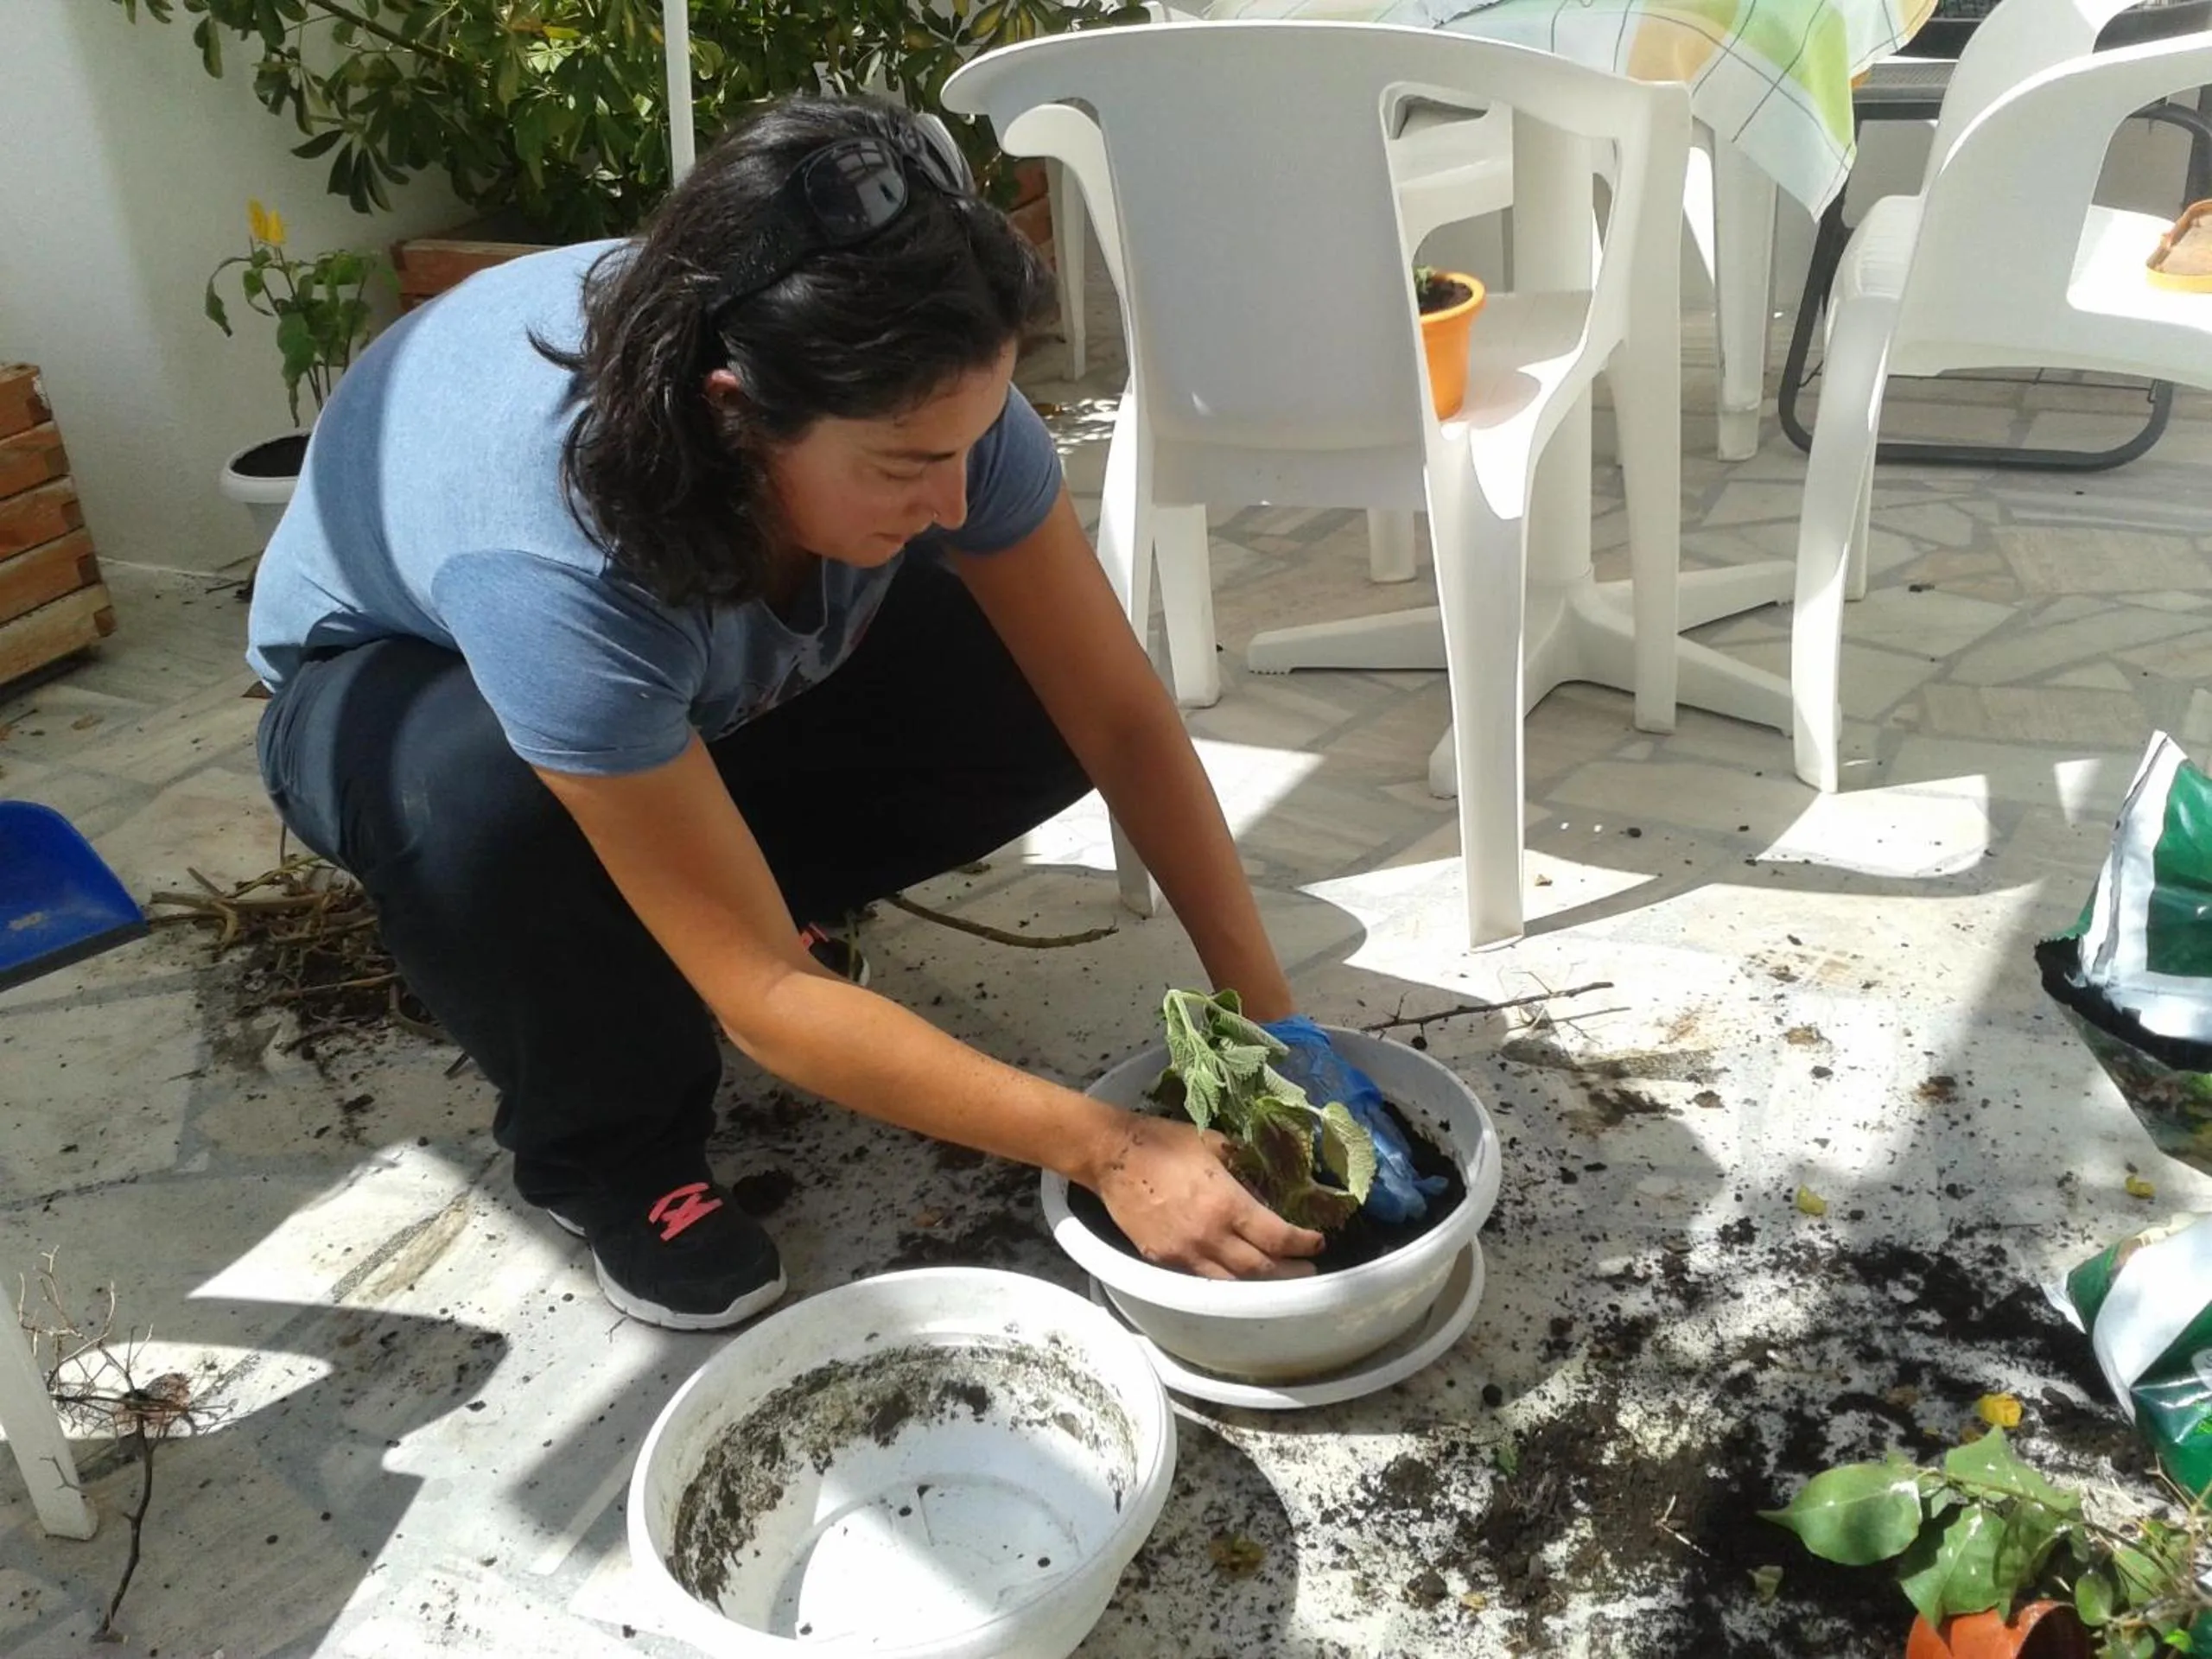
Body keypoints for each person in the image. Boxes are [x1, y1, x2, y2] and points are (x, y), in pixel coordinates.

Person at [245, 92, 1386, 1332]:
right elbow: (761, 1004)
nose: (954, 500)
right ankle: (616, 1160)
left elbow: (1119, 716)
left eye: (973, 440)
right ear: (736, 412)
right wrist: (1107, 1147)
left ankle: (753, 884)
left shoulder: (923, 397)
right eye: (905, 467)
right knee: (481, 803)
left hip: (684, 664)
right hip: (384, 690)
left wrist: (1272, 1022)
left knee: (1030, 689)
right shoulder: (551, 564)